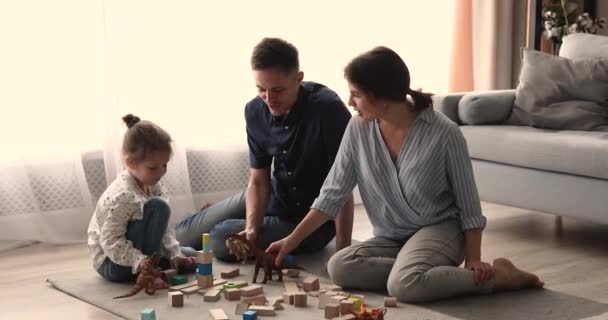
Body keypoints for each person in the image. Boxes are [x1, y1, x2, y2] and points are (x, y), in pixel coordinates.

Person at [267, 46, 544, 302]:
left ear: (382, 97)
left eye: (357, 94)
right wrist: (290, 242)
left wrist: (474, 258)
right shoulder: (358, 129)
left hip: (440, 229)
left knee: (403, 286)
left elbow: (469, 205)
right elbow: (332, 195)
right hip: (392, 237)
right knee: (339, 266)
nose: (350, 101)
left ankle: (500, 278)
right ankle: (420, 269)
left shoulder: (444, 133)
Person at [175, 38, 354, 261]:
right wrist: (251, 227)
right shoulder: (254, 110)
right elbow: (258, 180)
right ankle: (223, 219)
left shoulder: (328, 110)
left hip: (310, 220)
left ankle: (220, 221)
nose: (269, 99)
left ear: (299, 79)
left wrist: (342, 253)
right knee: (181, 235)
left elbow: (342, 189)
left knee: (220, 238)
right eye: (261, 89)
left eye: (278, 90)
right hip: (273, 196)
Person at [87, 114, 196, 283]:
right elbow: (110, 241)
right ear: (130, 163)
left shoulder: (154, 186)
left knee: (189, 253)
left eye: (164, 165)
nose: (161, 172)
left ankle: (165, 259)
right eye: (153, 167)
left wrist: (175, 254)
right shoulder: (123, 195)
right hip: (112, 263)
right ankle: (151, 266)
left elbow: (163, 228)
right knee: (158, 207)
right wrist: (140, 261)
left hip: (138, 249)